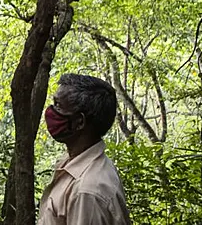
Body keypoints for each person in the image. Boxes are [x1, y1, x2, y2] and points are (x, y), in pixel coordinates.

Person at [38, 73, 132, 225]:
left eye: (58, 105)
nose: (50, 111)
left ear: (79, 122)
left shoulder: (87, 192)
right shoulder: (75, 164)